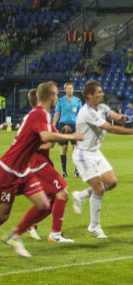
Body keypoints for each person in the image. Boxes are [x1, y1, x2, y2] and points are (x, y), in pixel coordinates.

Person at [1, 81, 83, 258]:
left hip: (24, 171)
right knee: (2, 216)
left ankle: (15, 236)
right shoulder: (39, 114)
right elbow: (45, 137)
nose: (58, 97)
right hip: (9, 170)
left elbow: (48, 139)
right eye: (56, 94)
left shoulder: (42, 115)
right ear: (51, 96)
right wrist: (71, 136)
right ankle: (46, 234)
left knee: (44, 203)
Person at [70, 80, 133, 239]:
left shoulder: (102, 107)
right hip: (83, 154)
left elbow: (115, 117)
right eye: (99, 92)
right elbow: (110, 128)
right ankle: (94, 226)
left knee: (111, 182)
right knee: (99, 188)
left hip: (95, 152)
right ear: (90, 96)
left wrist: (123, 117)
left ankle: (81, 195)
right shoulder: (87, 112)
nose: (102, 94)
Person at [53, 81, 82, 177]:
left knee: (75, 148)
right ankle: (64, 172)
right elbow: (57, 113)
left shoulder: (77, 100)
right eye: (68, 88)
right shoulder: (60, 101)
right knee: (64, 148)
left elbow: (81, 114)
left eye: (71, 88)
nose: (70, 90)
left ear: (73, 89)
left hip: (75, 125)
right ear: (65, 89)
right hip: (63, 125)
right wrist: (53, 125)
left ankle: (76, 171)